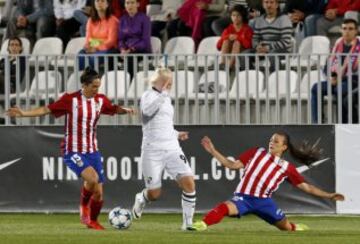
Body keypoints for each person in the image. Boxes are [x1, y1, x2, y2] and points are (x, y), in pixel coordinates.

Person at [6, 67, 136, 230]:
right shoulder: (70, 100)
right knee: (92, 179)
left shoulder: (100, 100)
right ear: (85, 85)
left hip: (92, 150)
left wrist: (126, 110)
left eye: (98, 86)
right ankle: (83, 207)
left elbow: (113, 109)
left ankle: (93, 221)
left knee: (98, 193)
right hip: (73, 150)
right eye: (94, 86)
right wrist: (23, 114)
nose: (97, 89)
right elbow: (47, 109)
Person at [190, 132, 345, 231]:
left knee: (285, 227)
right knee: (224, 207)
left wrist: (329, 195)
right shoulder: (256, 152)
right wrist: (212, 151)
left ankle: (294, 227)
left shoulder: (286, 167)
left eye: (276, 141)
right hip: (243, 198)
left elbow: (307, 188)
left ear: (283, 147)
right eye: (271, 140)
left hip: (264, 202)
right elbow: (232, 165)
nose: (272, 143)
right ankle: (202, 224)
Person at [132, 67, 197, 230]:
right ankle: (142, 198)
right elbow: (146, 115)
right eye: (168, 81)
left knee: (189, 182)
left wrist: (176, 134)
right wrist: (163, 95)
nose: (170, 85)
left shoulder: (166, 99)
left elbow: (164, 124)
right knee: (154, 193)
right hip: (152, 149)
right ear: (161, 81)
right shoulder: (148, 96)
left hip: (172, 147)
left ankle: (187, 223)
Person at [311, 18, 360, 124]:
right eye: (344, 28)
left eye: (350, 29)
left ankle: (341, 123)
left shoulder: (359, 46)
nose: (347, 31)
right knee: (316, 88)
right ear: (341, 30)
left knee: (340, 89)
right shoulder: (338, 44)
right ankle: (318, 122)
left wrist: (340, 77)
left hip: (354, 80)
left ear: (356, 31)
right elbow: (328, 65)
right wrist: (332, 77)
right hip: (335, 79)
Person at [244, 0, 293, 72]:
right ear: (263, 4)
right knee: (244, 55)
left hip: (282, 50)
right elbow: (255, 38)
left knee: (272, 54)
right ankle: (253, 79)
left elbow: (285, 41)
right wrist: (258, 47)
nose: (269, 5)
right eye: (266, 2)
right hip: (263, 50)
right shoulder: (259, 20)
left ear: (277, 5)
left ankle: (275, 80)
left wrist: (268, 48)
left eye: (271, 2)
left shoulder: (284, 19)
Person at [77, 0, 119, 70]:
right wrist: (89, 47)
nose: (99, 3)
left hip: (110, 49)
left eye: (102, 1)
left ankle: (93, 78)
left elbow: (111, 41)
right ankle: (83, 79)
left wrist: (96, 47)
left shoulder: (113, 20)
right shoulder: (90, 20)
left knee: (94, 58)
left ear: (107, 4)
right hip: (94, 48)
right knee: (80, 55)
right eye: (97, 1)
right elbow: (88, 40)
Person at [118, 0, 152, 78]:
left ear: (137, 4)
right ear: (125, 5)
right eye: (127, 3)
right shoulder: (122, 19)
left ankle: (131, 83)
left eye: (132, 3)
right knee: (111, 55)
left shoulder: (145, 18)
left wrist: (131, 49)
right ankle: (114, 84)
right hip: (126, 50)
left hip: (142, 50)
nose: (130, 5)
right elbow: (120, 39)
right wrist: (122, 49)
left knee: (130, 57)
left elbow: (145, 40)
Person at [216, 4, 253, 69]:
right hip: (230, 52)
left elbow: (249, 45)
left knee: (237, 42)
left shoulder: (247, 29)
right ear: (231, 17)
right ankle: (222, 64)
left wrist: (238, 38)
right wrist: (228, 37)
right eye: (233, 15)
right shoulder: (228, 29)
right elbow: (218, 46)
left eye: (238, 15)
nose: (235, 18)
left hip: (242, 51)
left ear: (242, 16)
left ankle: (230, 66)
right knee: (226, 41)